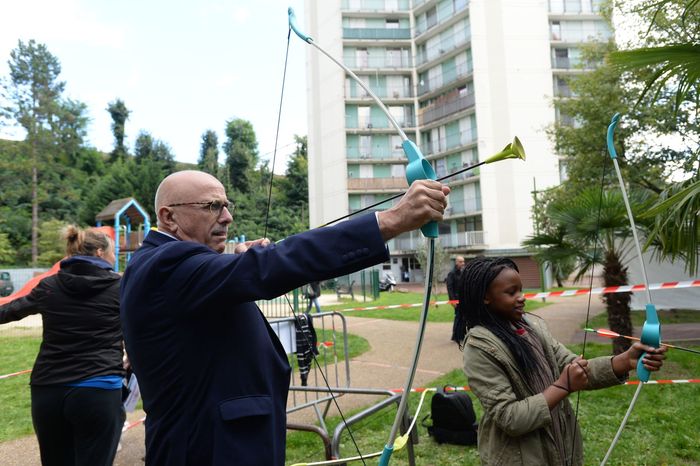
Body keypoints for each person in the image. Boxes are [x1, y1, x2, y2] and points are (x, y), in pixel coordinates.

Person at [120, 170, 449, 465]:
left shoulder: (168, 264)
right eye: (212, 207)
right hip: (209, 450)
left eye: (226, 205)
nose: (227, 217)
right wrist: (391, 220)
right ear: (169, 217)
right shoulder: (166, 266)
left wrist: (232, 264)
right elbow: (267, 267)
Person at [458, 257, 666, 465]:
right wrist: (563, 385)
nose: (521, 298)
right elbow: (510, 417)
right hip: (522, 455)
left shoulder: (532, 328)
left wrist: (625, 360)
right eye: (511, 293)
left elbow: (572, 366)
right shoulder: (479, 347)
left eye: (520, 290)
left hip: (559, 439)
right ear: (485, 296)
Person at [0, 226, 126, 466]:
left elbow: (8, 311)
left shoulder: (48, 286)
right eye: (113, 251)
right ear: (99, 252)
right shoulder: (119, 287)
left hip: (48, 390)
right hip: (98, 389)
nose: (115, 256)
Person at [446, 255, 465, 343]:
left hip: (462, 299)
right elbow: (450, 288)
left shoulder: (462, 272)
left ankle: (461, 335)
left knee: (462, 317)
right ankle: (456, 336)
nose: (463, 263)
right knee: (458, 317)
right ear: (456, 262)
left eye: (463, 261)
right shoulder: (451, 273)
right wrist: (452, 301)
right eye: (461, 262)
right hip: (456, 300)